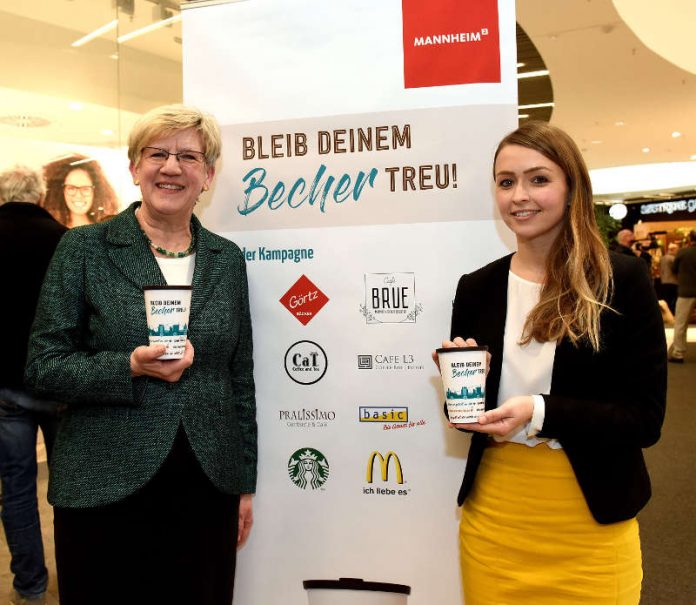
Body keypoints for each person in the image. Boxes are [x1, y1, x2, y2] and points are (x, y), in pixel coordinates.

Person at [25, 105, 257, 605]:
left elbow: (240, 378)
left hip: (205, 483)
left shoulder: (228, 260)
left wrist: (242, 482)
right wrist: (128, 365)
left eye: (189, 157)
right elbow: (44, 366)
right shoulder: (83, 249)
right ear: (134, 168)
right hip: (103, 482)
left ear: (208, 176)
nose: (171, 167)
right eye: (157, 153)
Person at [436, 121, 667, 604]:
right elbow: (468, 423)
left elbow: (645, 419)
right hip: (496, 517)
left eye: (539, 179)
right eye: (506, 182)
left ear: (571, 187)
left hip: (590, 518)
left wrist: (539, 411)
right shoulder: (475, 288)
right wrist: (462, 393)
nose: (520, 195)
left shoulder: (619, 280)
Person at [0, 166, 66, 605]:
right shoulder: (64, 239)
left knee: (16, 487)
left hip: (4, 386)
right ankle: (78, 572)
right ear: (40, 193)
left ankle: (30, 587)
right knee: (70, 487)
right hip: (60, 382)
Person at [41, 154, 119, 228]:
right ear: (61, 191)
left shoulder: (106, 229)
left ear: (96, 192)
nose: (78, 195)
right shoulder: (54, 229)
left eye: (85, 189)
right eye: (71, 188)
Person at [668, 230, 696, 363]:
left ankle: (678, 352)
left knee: (681, 323)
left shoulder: (683, 252)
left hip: (687, 290)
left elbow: (674, 269)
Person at [659, 242, 679, 314]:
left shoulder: (663, 258)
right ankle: (672, 314)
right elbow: (676, 270)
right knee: (674, 299)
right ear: (673, 250)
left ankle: (666, 314)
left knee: (666, 299)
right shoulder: (673, 258)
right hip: (673, 281)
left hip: (664, 281)